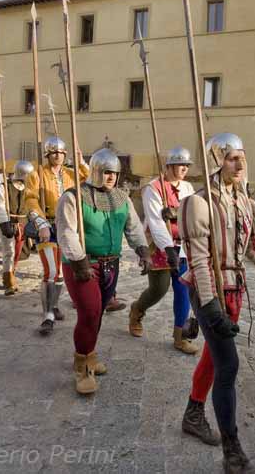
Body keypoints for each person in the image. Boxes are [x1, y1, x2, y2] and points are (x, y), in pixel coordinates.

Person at [178, 133, 255, 473]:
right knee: (228, 365)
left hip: (235, 288)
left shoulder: (246, 202)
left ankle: (193, 412)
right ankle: (232, 451)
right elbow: (199, 261)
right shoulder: (198, 203)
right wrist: (210, 307)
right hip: (208, 289)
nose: (240, 164)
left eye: (242, 157)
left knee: (214, 357)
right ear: (217, 161)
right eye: (232, 158)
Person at [56, 149, 150, 395]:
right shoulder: (74, 196)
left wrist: (143, 250)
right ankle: (82, 366)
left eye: (114, 173)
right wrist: (79, 261)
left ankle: (90, 354)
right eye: (106, 172)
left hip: (112, 264)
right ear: (96, 170)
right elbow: (66, 231)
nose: (111, 177)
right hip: (83, 264)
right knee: (89, 312)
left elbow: (133, 227)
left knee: (97, 314)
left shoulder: (122, 198)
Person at [129, 146, 198, 355]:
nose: (184, 168)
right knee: (159, 289)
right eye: (180, 164)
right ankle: (137, 310)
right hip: (159, 245)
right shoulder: (153, 188)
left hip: (183, 245)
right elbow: (155, 222)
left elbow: (193, 212)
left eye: (186, 165)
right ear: (169, 165)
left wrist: (176, 212)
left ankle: (180, 337)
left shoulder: (188, 188)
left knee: (183, 289)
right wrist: (168, 249)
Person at [25, 136, 90, 336]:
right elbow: (30, 199)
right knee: (51, 270)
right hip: (47, 225)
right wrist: (41, 224)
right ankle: (47, 316)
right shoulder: (37, 174)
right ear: (47, 154)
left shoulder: (71, 173)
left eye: (61, 153)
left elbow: (86, 177)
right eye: (54, 153)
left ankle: (53, 305)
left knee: (62, 272)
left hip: (67, 226)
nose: (58, 156)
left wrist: (80, 160)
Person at [0, 161, 33, 295]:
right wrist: (4, 223)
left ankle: (12, 273)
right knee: (9, 251)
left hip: (23, 223)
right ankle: (9, 281)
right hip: (9, 221)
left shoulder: (28, 187)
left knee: (18, 252)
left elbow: (32, 205)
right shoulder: (4, 186)